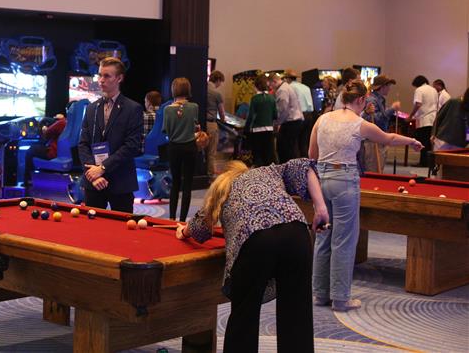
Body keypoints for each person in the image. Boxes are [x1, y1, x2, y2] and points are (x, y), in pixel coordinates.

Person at [176, 158, 329, 353]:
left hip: (255, 239)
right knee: (297, 313)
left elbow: (201, 226)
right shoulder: (269, 171)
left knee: (244, 315)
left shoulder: (223, 186)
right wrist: (320, 208)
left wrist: (183, 231)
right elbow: (304, 167)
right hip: (296, 233)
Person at [310, 80, 422, 312]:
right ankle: (341, 299)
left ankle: (320, 295)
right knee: (344, 240)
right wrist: (412, 141)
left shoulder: (322, 119)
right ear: (361, 100)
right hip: (344, 179)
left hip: (321, 179)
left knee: (323, 237)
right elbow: (389, 138)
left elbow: (312, 154)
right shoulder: (359, 123)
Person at [78, 57, 143, 213]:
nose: (101, 80)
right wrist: (93, 173)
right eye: (100, 75)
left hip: (121, 182)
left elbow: (131, 146)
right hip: (94, 181)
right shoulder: (91, 108)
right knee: (91, 226)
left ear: (119, 78)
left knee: (122, 228)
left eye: (107, 76)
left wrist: (103, 168)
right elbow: (83, 144)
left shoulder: (133, 109)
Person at [163, 78, 199, 221]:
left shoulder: (167, 109)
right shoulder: (194, 107)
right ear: (188, 89)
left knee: (175, 183)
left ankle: (172, 218)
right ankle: (183, 219)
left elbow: (165, 131)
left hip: (174, 148)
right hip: (190, 147)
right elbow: (196, 126)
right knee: (187, 184)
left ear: (173, 90)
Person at [360, 75, 401, 173]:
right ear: (382, 87)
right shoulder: (372, 100)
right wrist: (392, 109)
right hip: (373, 142)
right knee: (373, 171)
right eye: (388, 86)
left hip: (377, 140)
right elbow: (373, 119)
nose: (389, 88)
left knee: (378, 170)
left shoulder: (379, 99)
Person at [24, 111, 68, 186]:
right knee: (37, 147)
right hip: (63, 153)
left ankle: (28, 180)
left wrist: (44, 128)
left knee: (30, 151)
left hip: (53, 153)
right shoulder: (70, 123)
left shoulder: (62, 122)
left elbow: (47, 133)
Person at [268, 73, 304, 163]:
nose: (271, 88)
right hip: (296, 120)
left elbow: (283, 110)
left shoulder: (282, 90)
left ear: (274, 81)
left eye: (270, 85)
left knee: (284, 148)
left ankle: (286, 168)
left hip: (291, 122)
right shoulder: (287, 86)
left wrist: (276, 123)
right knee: (292, 148)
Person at [244, 74, 277, 167]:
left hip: (257, 130)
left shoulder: (255, 99)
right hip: (269, 129)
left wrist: (246, 129)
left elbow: (250, 116)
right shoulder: (271, 98)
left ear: (256, 86)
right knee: (268, 155)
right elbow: (275, 115)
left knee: (258, 155)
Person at [283, 69, 314, 157]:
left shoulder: (290, 87)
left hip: (299, 116)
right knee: (304, 142)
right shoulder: (305, 87)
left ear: (287, 78)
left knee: (295, 143)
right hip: (309, 115)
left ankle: (297, 163)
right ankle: (306, 161)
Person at [408, 75, 438, 167]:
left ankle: (423, 162)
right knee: (429, 143)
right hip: (433, 120)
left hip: (424, 119)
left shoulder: (419, 90)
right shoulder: (433, 90)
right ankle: (429, 162)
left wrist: (410, 116)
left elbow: (418, 104)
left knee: (423, 142)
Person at [206, 70, 226, 179]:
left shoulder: (202, 89)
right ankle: (210, 175)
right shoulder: (216, 94)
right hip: (211, 125)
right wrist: (223, 120)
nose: (220, 85)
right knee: (211, 152)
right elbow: (222, 113)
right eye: (220, 82)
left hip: (200, 124)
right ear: (217, 80)